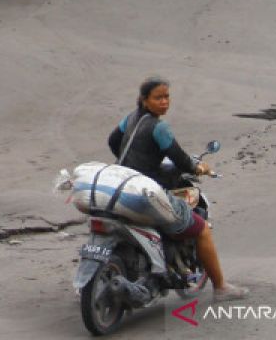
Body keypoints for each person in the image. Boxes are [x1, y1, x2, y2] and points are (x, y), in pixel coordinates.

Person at [107, 77, 249, 301]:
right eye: (158, 98)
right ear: (145, 100)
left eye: (166, 97)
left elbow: (113, 140)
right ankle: (220, 287)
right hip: (144, 191)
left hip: (122, 182)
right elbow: (179, 158)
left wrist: (133, 158)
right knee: (201, 228)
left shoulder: (131, 118)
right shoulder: (159, 127)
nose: (164, 102)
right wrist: (197, 167)